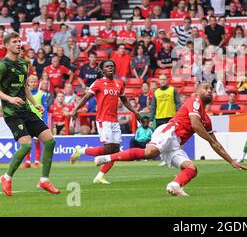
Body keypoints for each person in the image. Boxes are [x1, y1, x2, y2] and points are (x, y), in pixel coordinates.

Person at [94, 81, 247, 197]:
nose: (209, 91)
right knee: (150, 152)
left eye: (211, 90)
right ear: (196, 91)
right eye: (205, 88)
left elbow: (216, 144)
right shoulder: (194, 101)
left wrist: (231, 161)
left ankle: (174, 185)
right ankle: (106, 158)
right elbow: (195, 125)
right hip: (169, 131)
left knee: (191, 169)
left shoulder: (207, 119)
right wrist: (211, 140)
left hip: (176, 144)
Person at [0, 32, 59, 196]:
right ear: (6, 45)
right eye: (14, 42)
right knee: (26, 145)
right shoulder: (3, 65)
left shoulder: (24, 64)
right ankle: (6, 177)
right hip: (12, 113)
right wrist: (10, 99)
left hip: (26, 110)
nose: (19, 44)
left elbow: (24, 87)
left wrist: (35, 104)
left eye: (19, 41)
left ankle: (44, 181)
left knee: (50, 141)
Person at [70, 60, 144, 184]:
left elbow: (124, 101)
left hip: (115, 121)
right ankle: (81, 151)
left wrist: (136, 112)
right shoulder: (98, 83)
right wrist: (76, 109)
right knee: (109, 149)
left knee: (115, 152)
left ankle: (99, 176)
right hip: (103, 120)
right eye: (107, 66)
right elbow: (86, 97)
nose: (110, 68)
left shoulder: (119, 83)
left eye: (112, 66)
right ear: (102, 70)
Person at [20, 75, 48, 169]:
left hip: (37, 120)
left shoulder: (41, 94)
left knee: (37, 142)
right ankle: (27, 161)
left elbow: (45, 109)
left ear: (37, 83)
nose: (33, 83)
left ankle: (36, 161)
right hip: (26, 119)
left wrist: (45, 120)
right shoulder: (23, 93)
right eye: (31, 82)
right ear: (27, 82)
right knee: (27, 142)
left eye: (35, 82)